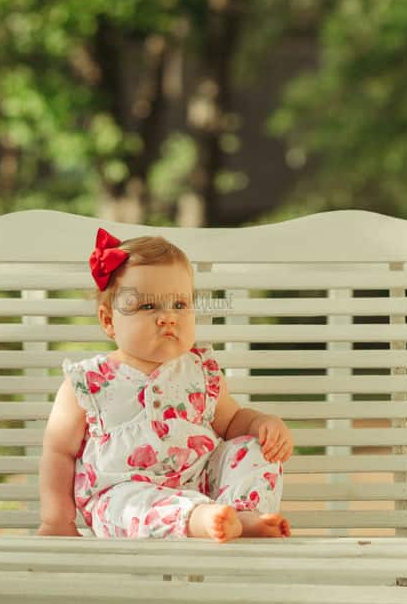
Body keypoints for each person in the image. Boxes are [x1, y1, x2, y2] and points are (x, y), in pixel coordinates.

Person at [38, 227, 293, 542]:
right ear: (108, 321)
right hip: (124, 497)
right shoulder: (89, 383)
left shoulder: (201, 371)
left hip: (205, 488)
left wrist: (261, 424)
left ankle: (242, 514)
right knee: (128, 504)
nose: (168, 317)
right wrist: (56, 521)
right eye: (148, 307)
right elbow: (58, 452)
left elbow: (232, 423)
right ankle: (198, 519)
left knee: (251, 448)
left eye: (180, 305)